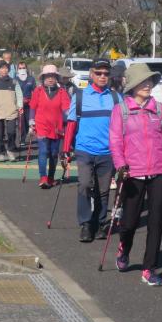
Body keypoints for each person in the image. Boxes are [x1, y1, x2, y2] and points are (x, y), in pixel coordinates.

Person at [109, 62, 162, 287]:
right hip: (133, 172)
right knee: (130, 222)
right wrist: (121, 165)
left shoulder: (160, 110)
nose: (148, 84)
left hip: (160, 172)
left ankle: (149, 268)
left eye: (150, 80)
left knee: (156, 221)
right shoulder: (120, 111)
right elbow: (115, 142)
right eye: (143, 81)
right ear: (132, 86)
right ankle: (124, 249)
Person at [62, 59, 121, 242]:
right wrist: (66, 150)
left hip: (107, 151)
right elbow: (71, 123)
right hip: (84, 149)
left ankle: (101, 222)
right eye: (99, 73)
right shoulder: (79, 96)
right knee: (85, 185)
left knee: (103, 190)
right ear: (91, 74)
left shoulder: (116, 97)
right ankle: (86, 224)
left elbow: (123, 126)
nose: (103, 76)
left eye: (106, 73)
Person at [29, 64, 71, 188]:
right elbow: (32, 107)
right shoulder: (38, 91)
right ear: (43, 78)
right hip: (41, 125)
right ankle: (43, 177)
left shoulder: (62, 92)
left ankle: (51, 178)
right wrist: (31, 121)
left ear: (56, 78)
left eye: (53, 76)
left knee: (53, 154)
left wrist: (70, 119)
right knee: (43, 151)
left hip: (57, 128)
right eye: (48, 76)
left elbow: (66, 109)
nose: (50, 79)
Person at [16, 62, 36, 130]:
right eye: (20, 68)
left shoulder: (31, 79)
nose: (22, 69)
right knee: (21, 122)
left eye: (23, 68)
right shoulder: (15, 79)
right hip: (19, 104)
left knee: (28, 121)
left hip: (29, 104)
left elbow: (35, 91)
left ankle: (26, 133)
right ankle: (22, 139)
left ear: (26, 69)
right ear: (17, 69)